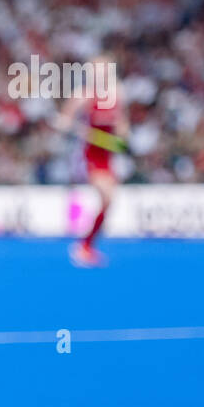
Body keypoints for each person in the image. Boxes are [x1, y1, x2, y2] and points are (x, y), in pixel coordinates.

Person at [56, 50, 128, 267]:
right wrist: (74, 128)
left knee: (109, 201)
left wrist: (123, 137)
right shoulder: (85, 95)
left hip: (108, 155)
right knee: (106, 195)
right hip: (90, 155)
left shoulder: (117, 94)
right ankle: (83, 246)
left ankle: (86, 246)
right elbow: (63, 120)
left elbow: (122, 124)